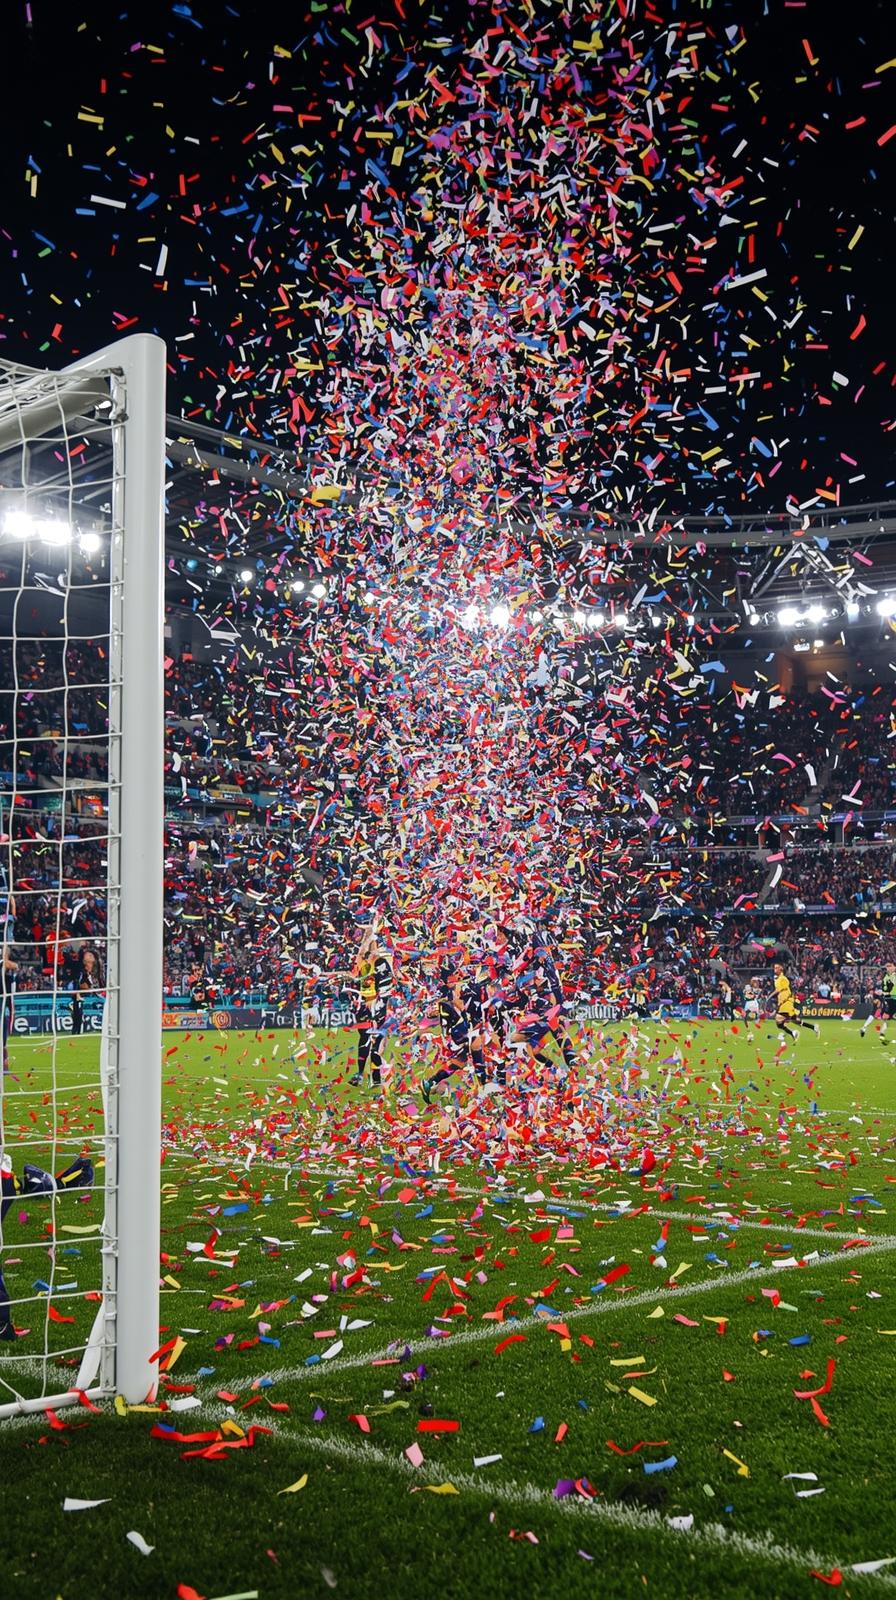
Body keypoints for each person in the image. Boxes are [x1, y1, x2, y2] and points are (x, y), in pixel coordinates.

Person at [348, 920, 393, 1090]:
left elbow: (386, 989)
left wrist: (371, 931)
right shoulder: (364, 965)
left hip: (377, 1007)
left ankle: (373, 1077)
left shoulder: (378, 964)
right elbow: (362, 952)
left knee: (374, 1042)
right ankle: (361, 1074)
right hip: (365, 1008)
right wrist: (369, 931)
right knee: (365, 1040)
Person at [772, 962, 819, 1041]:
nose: (775, 969)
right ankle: (813, 1027)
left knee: (780, 1020)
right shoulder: (781, 979)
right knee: (794, 1021)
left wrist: (770, 996)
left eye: (777, 968)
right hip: (787, 1003)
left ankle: (791, 1033)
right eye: (774, 968)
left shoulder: (783, 979)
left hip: (787, 1003)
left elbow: (779, 990)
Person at [860, 961, 896, 1044]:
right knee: (885, 1017)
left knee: (883, 1017)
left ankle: (868, 1029)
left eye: (890, 966)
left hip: (888, 998)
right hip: (889, 999)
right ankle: (881, 1035)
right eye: (887, 967)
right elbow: (882, 990)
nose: (888, 968)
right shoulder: (885, 978)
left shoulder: (890, 977)